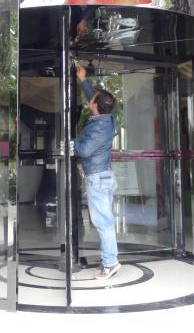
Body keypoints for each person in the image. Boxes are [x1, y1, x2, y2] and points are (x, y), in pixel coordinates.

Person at [73, 65, 120, 280]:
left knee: (103, 223)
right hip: (103, 176)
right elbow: (94, 97)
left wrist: (71, 143)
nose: (90, 99)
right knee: (105, 221)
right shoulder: (107, 118)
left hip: (98, 179)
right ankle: (109, 260)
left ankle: (110, 263)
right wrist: (83, 79)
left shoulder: (99, 127)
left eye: (93, 99)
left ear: (95, 106)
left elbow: (84, 150)